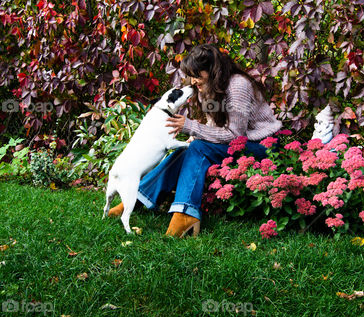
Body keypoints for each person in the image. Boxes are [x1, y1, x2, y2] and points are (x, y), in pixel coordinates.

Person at [107, 44, 282, 237]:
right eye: (191, 75)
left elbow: (235, 136)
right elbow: (213, 123)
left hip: (262, 146)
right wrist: (195, 134)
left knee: (197, 148)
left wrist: (191, 127)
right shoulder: (209, 87)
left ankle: (185, 213)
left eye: (197, 74)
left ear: (213, 70)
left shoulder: (238, 85)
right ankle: (139, 198)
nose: (193, 80)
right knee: (187, 148)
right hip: (237, 142)